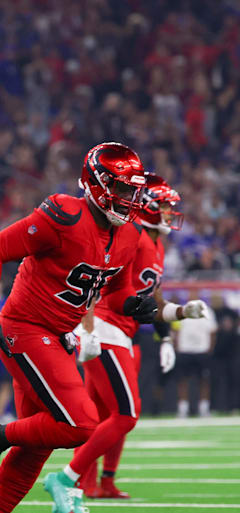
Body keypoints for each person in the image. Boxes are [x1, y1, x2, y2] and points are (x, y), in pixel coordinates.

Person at [0, 142, 158, 513]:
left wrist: (134, 305)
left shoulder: (130, 234)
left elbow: (117, 291)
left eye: (133, 191)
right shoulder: (64, 215)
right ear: (98, 183)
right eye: (122, 189)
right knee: (81, 424)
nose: (129, 199)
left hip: (59, 337)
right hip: (25, 327)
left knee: (37, 445)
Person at [61, 175, 207, 499]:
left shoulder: (156, 244)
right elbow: (96, 280)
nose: (170, 213)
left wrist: (170, 330)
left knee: (109, 415)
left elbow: (152, 299)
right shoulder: (133, 235)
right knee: (123, 414)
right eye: (165, 206)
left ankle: (101, 482)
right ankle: (69, 478)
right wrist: (86, 328)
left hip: (125, 334)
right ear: (150, 206)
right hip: (105, 329)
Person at [174, 291, 217, 418]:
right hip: (185, 350)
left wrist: (210, 348)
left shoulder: (207, 311)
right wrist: (177, 346)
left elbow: (212, 331)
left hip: (202, 350)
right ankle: (183, 408)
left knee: (204, 380)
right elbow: (176, 330)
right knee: (182, 380)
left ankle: (204, 408)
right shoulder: (181, 311)